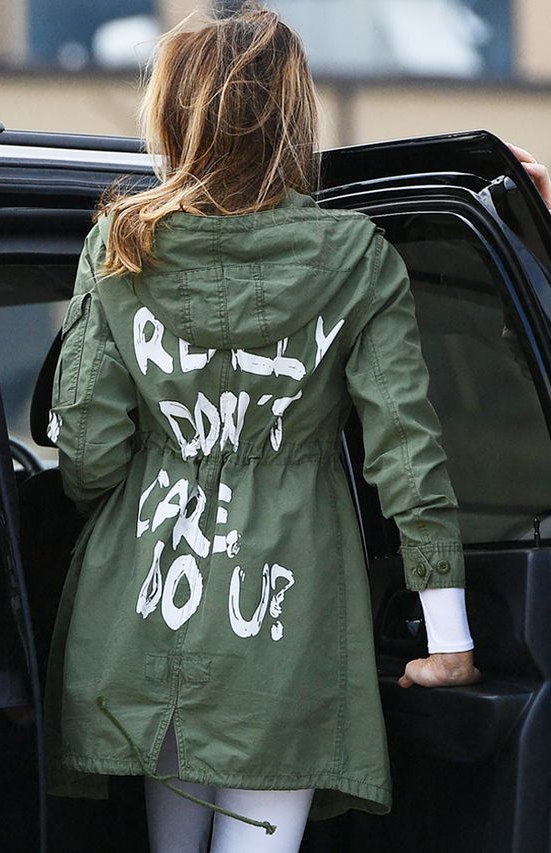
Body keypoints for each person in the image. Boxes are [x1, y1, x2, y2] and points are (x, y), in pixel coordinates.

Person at [44, 6, 480, 853]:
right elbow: (406, 450)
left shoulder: (119, 244)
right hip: (284, 602)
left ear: (173, 112)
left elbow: (88, 453)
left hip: (144, 595)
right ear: (293, 113)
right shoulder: (354, 255)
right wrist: (450, 636)